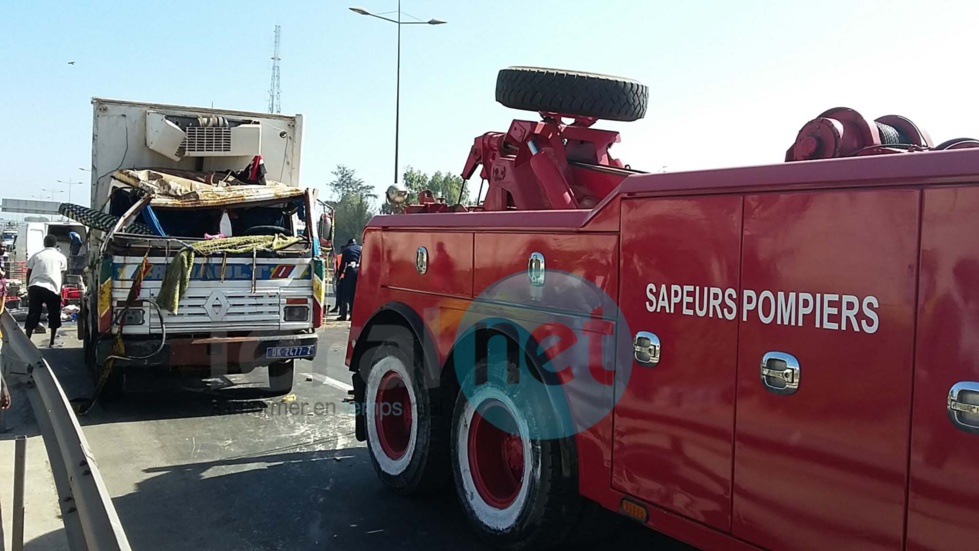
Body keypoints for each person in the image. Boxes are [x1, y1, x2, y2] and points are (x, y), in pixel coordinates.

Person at [25, 235, 68, 348]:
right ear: (55, 244)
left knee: (33, 313)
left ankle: (27, 341)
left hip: (35, 286)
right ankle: (52, 342)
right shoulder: (61, 257)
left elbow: (28, 272)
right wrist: (60, 289)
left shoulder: (36, 255)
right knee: (54, 314)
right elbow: (62, 274)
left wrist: (28, 287)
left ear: (44, 243)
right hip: (52, 288)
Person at [336, 238, 362, 322]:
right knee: (354, 294)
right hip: (359, 272)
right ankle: (352, 315)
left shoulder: (346, 250)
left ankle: (343, 315)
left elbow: (343, 264)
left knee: (345, 293)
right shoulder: (361, 248)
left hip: (350, 271)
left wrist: (339, 276)